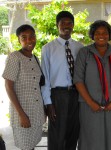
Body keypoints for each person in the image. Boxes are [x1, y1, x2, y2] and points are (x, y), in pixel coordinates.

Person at [73, 20, 111, 150]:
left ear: (109, 35)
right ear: (92, 35)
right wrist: (91, 102)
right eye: (97, 33)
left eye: (104, 32)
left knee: (109, 137)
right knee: (89, 137)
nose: (101, 35)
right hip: (88, 105)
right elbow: (78, 80)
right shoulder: (84, 53)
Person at [41, 11, 83, 150]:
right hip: (57, 95)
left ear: (73, 26)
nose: (66, 26)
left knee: (73, 132)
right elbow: (45, 77)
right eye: (63, 23)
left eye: (69, 23)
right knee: (57, 135)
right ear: (57, 25)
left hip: (76, 94)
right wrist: (49, 103)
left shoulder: (80, 47)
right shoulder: (48, 48)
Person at [2, 24, 45, 150]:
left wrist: (43, 110)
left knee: (32, 145)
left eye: (31, 36)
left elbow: (38, 86)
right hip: (22, 112)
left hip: (36, 111)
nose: (29, 40)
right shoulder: (14, 57)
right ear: (19, 40)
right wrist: (21, 114)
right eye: (24, 37)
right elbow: (8, 86)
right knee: (26, 146)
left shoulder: (35, 58)